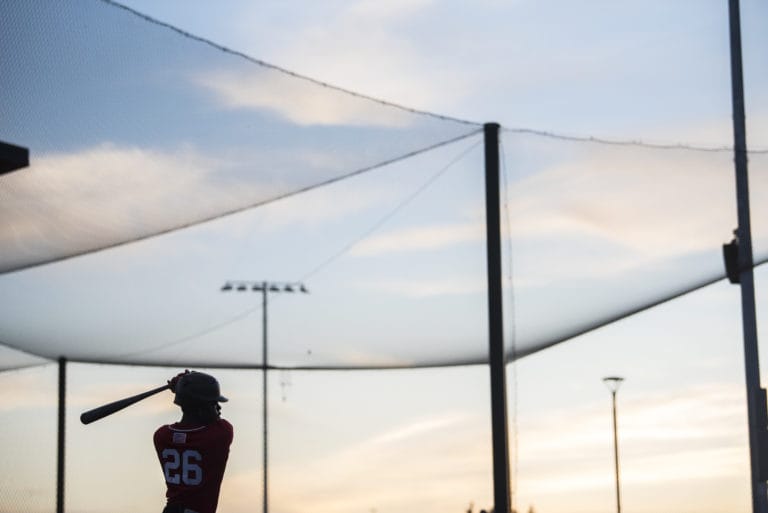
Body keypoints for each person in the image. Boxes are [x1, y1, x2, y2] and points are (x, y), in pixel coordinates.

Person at [154, 370, 234, 513]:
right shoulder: (219, 434)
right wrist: (183, 382)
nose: (218, 408)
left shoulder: (162, 436)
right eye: (213, 404)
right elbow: (217, 423)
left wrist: (182, 385)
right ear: (200, 408)